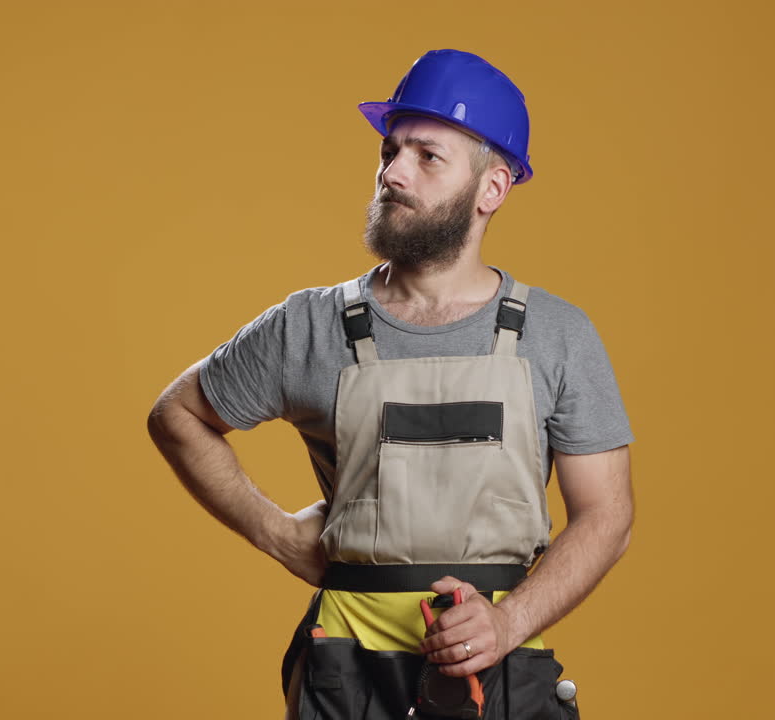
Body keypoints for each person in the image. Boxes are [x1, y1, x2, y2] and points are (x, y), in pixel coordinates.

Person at [147, 48, 634, 719]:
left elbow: (607, 516)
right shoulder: (308, 327)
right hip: (346, 672)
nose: (392, 172)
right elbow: (177, 414)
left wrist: (508, 622)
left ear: (492, 188)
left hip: (498, 672)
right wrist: (279, 535)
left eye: (426, 156)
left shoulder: (556, 335)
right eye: (389, 150)